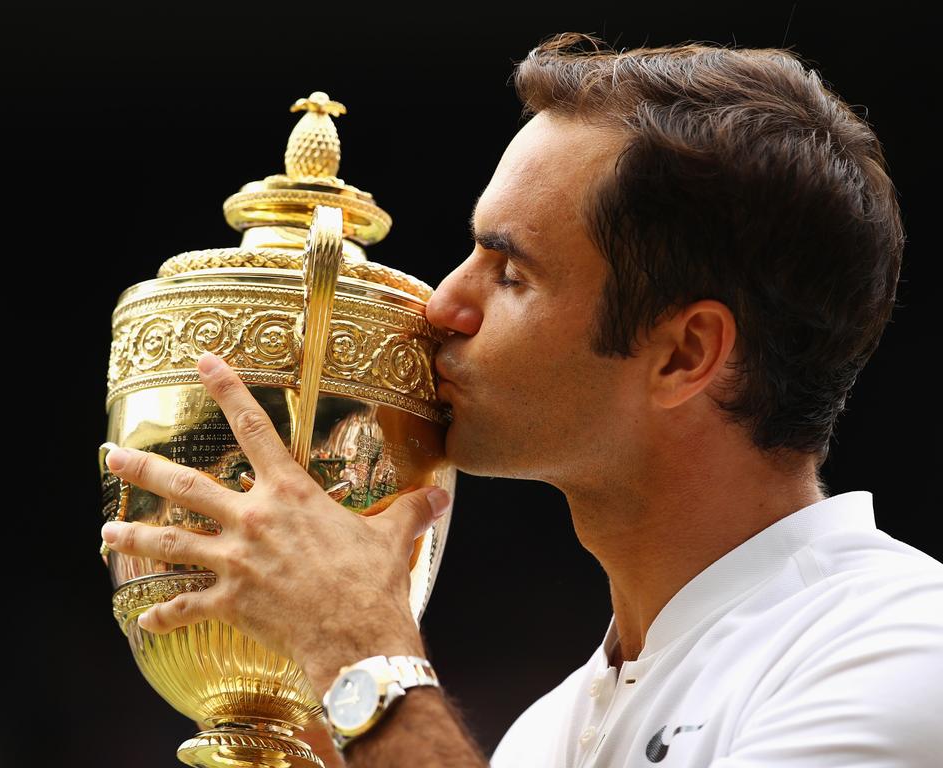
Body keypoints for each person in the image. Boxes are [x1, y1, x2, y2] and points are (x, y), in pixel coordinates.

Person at [100, 32, 942, 767]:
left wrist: (360, 651)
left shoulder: (901, 650)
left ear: (685, 355)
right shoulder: (546, 733)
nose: (441, 306)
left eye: (510, 273)